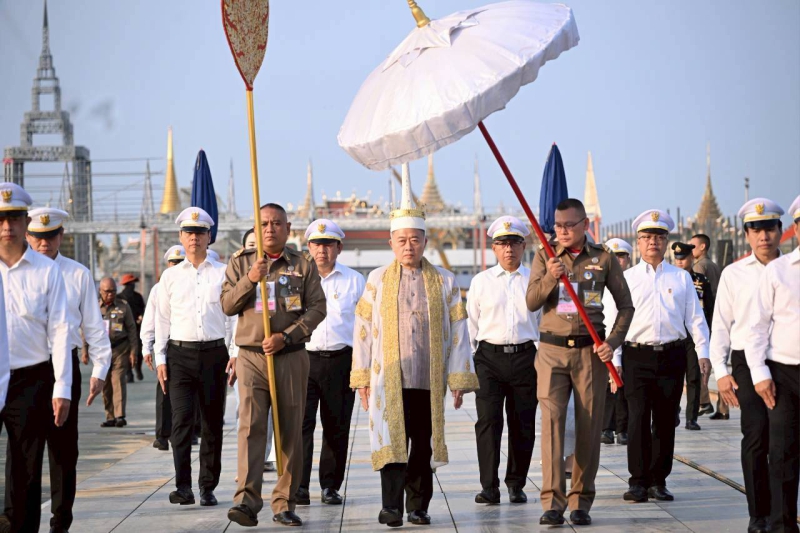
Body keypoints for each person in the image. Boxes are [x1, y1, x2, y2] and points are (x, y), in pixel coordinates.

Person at [350, 163, 478, 529]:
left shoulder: (445, 281)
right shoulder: (376, 280)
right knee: (391, 443)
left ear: (425, 240)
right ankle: (391, 506)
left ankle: (418, 506)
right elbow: (362, 329)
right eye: (401, 240)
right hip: (388, 378)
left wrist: (458, 378)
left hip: (427, 378)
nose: (409, 246)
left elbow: (458, 334)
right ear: (391, 242)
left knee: (422, 445)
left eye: (415, 239)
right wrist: (360, 377)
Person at [526, 198, 633, 526]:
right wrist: (550, 279)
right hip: (551, 352)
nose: (562, 231)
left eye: (569, 225)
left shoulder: (603, 258)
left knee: (588, 426)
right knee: (553, 424)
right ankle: (552, 502)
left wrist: (611, 344)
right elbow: (531, 302)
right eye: (558, 226)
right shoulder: (545, 255)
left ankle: (581, 500)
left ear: (585, 225)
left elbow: (626, 306)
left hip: (589, 353)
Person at [222, 203, 326, 528]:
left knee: (290, 431)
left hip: (290, 355)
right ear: (256, 228)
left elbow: (317, 308)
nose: (270, 229)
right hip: (252, 356)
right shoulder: (241, 263)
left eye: (276, 223)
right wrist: (251, 279)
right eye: (264, 223)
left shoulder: (302, 265)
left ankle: (283, 502)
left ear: (288, 228)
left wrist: (288, 336)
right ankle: (246, 500)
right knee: (251, 427)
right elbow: (227, 305)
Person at [610, 209, 711, 504]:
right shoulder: (625, 278)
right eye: (646, 237)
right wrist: (614, 360)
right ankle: (638, 481)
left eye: (658, 236)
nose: (652, 241)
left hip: (671, 355)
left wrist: (703, 352)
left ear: (666, 241)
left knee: (666, 421)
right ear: (638, 242)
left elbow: (696, 318)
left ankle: (659, 480)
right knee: (638, 419)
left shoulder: (681, 278)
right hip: (635, 356)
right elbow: (614, 321)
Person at [25, 207, 112, 532]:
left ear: (61, 236)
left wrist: (100, 369)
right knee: (24, 450)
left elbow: (93, 325)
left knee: (63, 450)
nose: (44, 243)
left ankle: (61, 520)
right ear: (28, 235)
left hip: (65, 367)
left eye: (50, 236)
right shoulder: (14, 272)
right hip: (25, 368)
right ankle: (17, 518)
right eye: (38, 236)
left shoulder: (77, 274)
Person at [0, 183, 71, 532]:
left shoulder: (46, 271)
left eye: (13, 218)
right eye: (1, 219)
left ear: (24, 221)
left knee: (26, 470)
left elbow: (60, 330)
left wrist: (63, 387)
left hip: (31, 378)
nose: (7, 227)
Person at [710, 198, 784, 533]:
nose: (763, 236)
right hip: (744, 362)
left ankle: (782, 513)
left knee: (784, 440)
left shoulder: (792, 269)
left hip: (784, 360)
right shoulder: (734, 274)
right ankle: (759, 513)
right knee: (755, 436)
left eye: (769, 228)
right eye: (756, 230)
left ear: (781, 230)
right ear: (746, 234)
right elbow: (721, 327)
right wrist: (722, 372)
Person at [154, 207, 236, 508]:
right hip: (179, 355)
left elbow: (234, 316)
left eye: (200, 233)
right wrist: (159, 358)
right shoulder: (170, 276)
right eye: (189, 233)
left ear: (209, 236)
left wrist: (235, 352)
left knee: (212, 423)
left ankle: (207, 486)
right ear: (180, 237)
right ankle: (183, 486)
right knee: (181, 423)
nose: (194, 238)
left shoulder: (223, 272)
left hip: (214, 353)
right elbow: (162, 320)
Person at [467, 215, 540, 505]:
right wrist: (472, 361)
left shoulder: (535, 281)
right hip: (489, 358)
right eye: (502, 243)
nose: (508, 249)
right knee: (488, 422)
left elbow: (543, 320)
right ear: (494, 248)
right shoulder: (481, 281)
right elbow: (471, 323)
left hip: (525, 357)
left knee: (523, 423)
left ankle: (516, 483)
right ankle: (489, 486)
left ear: (524, 246)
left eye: (514, 243)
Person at [296, 219, 364, 507]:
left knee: (336, 426)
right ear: (308, 247)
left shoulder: (354, 280)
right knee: (301, 426)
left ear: (339, 248)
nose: (321, 250)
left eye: (328, 244)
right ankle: (298, 486)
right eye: (316, 244)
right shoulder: (295, 278)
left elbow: (365, 326)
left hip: (340, 360)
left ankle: (330, 486)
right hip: (303, 359)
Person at [745, 195, 799, 533]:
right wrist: (761, 374)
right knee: (782, 453)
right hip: (784, 373)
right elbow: (756, 327)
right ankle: (781, 525)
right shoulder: (779, 270)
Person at [141, 244, 185, 451]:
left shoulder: (191, 284)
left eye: (179, 262)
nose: (175, 266)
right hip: (164, 346)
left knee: (187, 393)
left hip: (186, 345)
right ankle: (162, 435)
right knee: (164, 391)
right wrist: (146, 347)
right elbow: (149, 320)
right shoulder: (158, 289)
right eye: (173, 263)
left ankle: (187, 432)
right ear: (167, 265)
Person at [671, 241, 714, 431]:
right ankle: (673, 412)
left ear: (691, 258)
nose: (680, 262)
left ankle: (692, 417)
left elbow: (710, 310)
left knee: (694, 377)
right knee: (673, 378)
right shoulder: (670, 279)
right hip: (675, 335)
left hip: (694, 336)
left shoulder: (701, 281)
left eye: (684, 258)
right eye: (677, 259)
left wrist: (708, 334)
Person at [599, 238, 632, 446]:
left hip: (627, 340)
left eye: (621, 256)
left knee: (624, 388)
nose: (617, 261)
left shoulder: (632, 280)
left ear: (628, 259)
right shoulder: (598, 279)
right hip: (603, 341)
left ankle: (623, 429)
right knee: (606, 388)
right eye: (614, 256)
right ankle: (606, 428)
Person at [97, 277, 138, 428]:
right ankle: (110, 416)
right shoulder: (94, 307)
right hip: (101, 351)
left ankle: (120, 416)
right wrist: (85, 350)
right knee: (105, 385)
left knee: (118, 381)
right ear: (100, 291)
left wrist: (134, 351)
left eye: (113, 291)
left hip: (120, 349)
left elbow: (132, 330)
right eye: (107, 291)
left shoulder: (123, 306)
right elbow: (87, 330)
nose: (110, 294)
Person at [119, 273, 146, 382]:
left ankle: (138, 368)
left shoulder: (138, 297)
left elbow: (143, 310)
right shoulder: (119, 297)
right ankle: (129, 373)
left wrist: (141, 317)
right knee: (126, 352)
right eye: (130, 284)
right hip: (123, 328)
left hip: (137, 327)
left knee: (138, 351)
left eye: (133, 284)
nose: (132, 286)